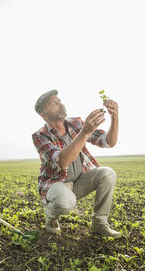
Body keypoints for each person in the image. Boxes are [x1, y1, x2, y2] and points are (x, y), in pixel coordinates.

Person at [32, 89, 121, 238]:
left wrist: (115, 117)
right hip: (55, 184)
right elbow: (62, 161)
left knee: (107, 173)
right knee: (66, 202)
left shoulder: (76, 123)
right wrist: (85, 132)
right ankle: (51, 216)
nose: (61, 105)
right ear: (43, 114)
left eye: (59, 101)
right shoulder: (40, 136)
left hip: (79, 181)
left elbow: (108, 141)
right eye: (54, 103)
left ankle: (99, 223)